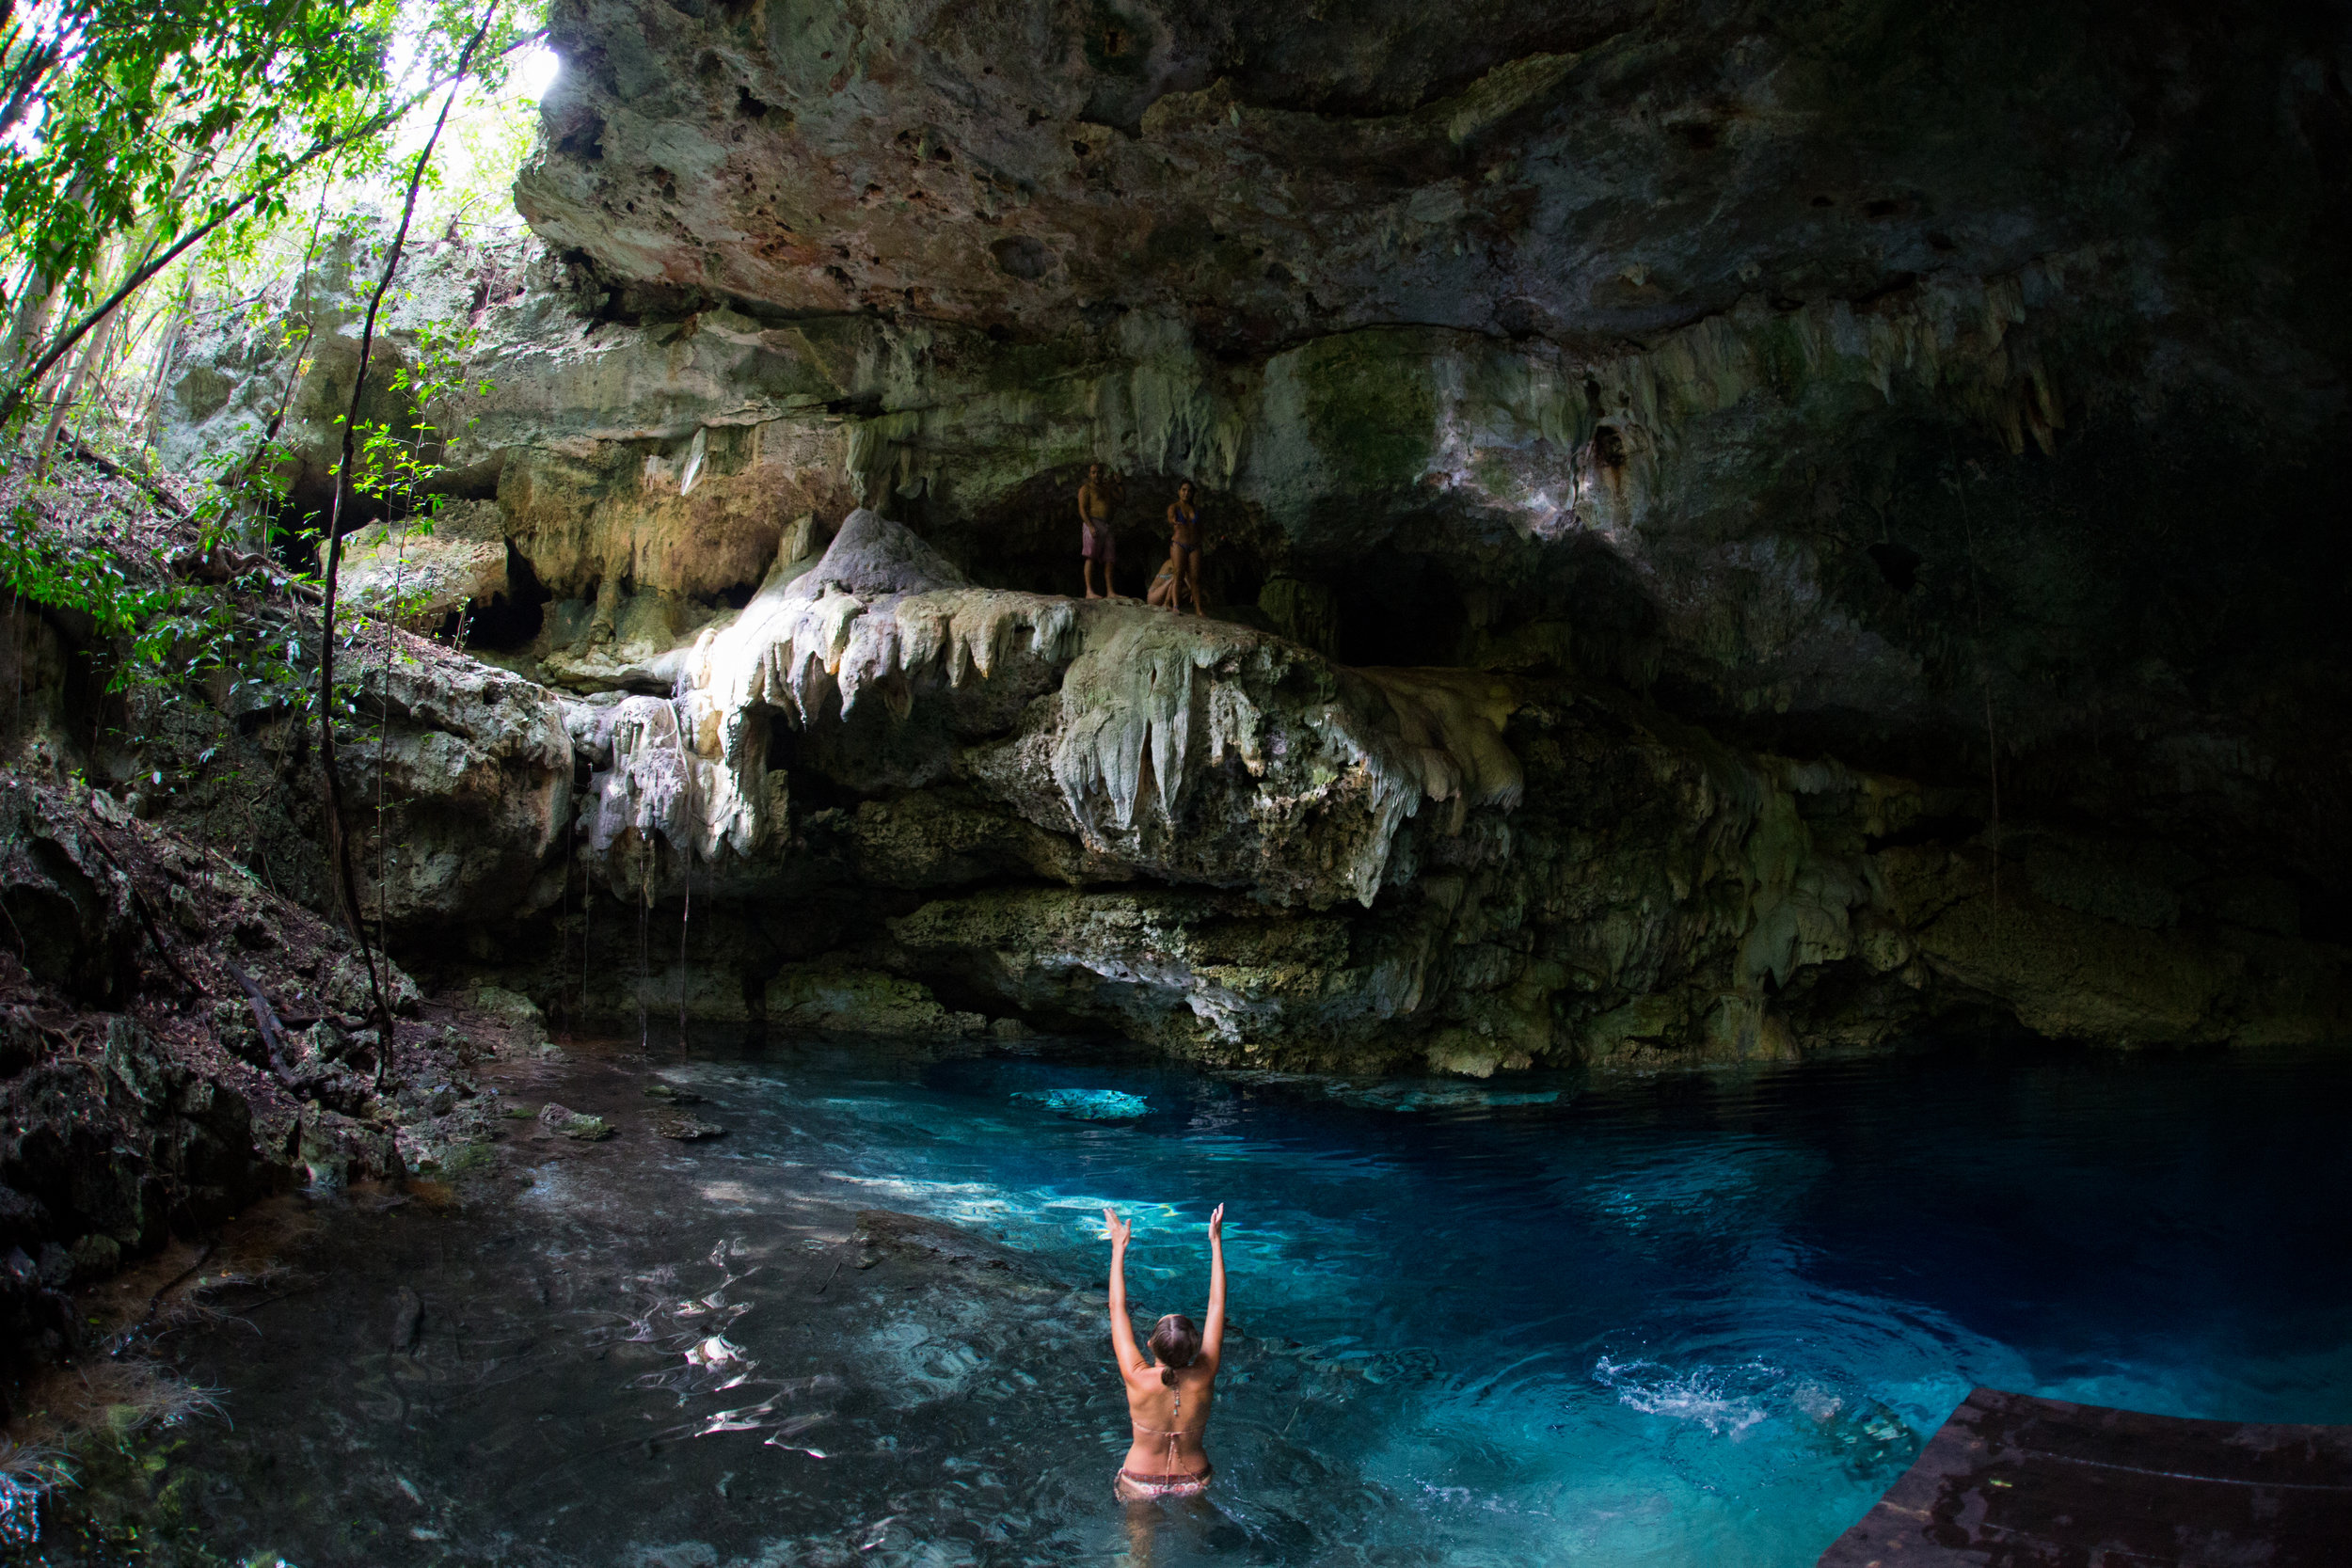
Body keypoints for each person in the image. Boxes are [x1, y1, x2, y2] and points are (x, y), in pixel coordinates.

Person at [1104, 1202, 1226, 1502]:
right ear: (1196, 1347)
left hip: (1140, 1479)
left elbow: (1117, 1308)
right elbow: (1216, 1307)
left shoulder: (1136, 1376)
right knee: (1199, 1547)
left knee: (1138, 1550)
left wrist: (1118, 1247)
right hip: (1194, 1477)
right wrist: (1215, 1242)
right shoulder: (1204, 1372)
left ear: (1149, 1344)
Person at [1079, 462, 1121, 598]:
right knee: (1090, 556)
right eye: (1093, 472)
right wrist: (1090, 526)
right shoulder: (1086, 489)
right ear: (1089, 474)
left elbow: (1121, 499)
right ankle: (1089, 591)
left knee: (1110, 558)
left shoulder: (1106, 488)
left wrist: (1119, 484)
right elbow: (1082, 509)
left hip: (1106, 525)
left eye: (1099, 472)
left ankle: (1110, 592)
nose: (1096, 475)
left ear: (1102, 474)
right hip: (1093, 522)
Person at [1165, 480, 1204, 613]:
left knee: (1195, 577)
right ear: (1179, 491)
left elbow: (1200, 527)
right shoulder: (1174, 507)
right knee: (1179, 573)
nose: (1186, 493)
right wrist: (1173, 520)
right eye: (1183, 490)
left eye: (1189, 491)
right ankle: (1176, 606)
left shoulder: (1196, 509)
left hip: (1195, 545)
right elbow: (1170, 518)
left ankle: (1198, 609)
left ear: (1192, 493)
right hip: (1178, 544)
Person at [1145, 545, 1182, 609]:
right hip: (1153, 596)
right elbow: (1185, 577)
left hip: (1157, 597)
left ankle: (1169, 603)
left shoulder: (1177, 563)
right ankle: (1166, 603)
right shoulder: (1171, 562)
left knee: (1178, 582)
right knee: (1175, 578)